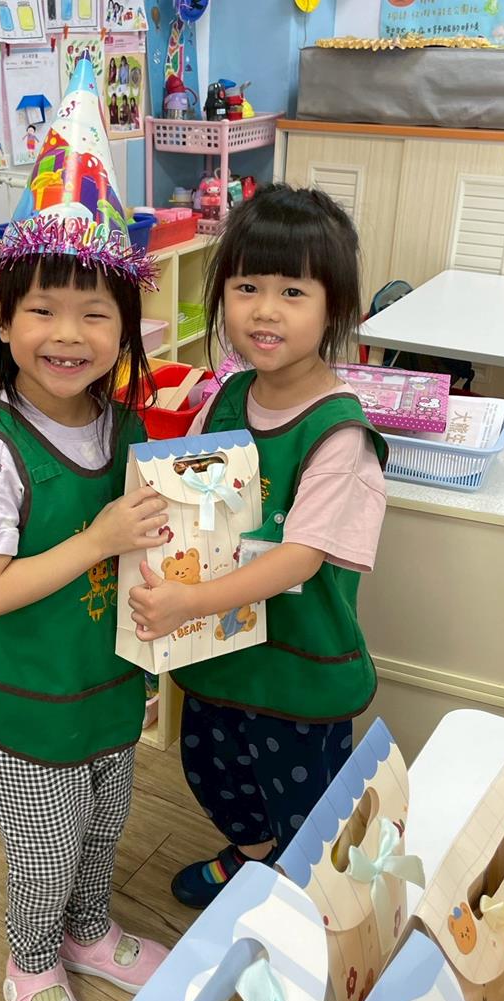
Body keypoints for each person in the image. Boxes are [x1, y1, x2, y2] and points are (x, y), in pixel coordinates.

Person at [0, 53, 168, 1001]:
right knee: (43, 842)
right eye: (41, 308)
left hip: (106, 679)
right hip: (32, 692)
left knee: (105, 820)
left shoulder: (126, 426)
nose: (68, 332)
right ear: (2, 320)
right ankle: (31, 960)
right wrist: (100, 538)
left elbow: (147, 540)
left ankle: (87, 928)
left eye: (94, 311)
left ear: (124, 329)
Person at [128, 183, 388, 910]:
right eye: (246, 287)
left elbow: (300, 557)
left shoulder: (338, 433)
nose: (264, 310)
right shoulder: (227, 396)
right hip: (221, 648)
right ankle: (251, 856)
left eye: (292, 292)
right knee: (214, 770)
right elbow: (184, 494)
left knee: (306, 802)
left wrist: (188, 601)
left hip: (296, 666)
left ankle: (299, 897)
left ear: (334, 308)